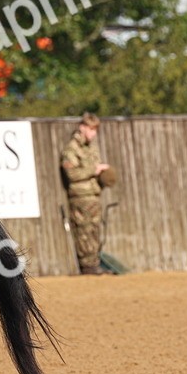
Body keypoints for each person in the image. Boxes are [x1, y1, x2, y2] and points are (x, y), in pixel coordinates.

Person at [60, 112, 111, 275]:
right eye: (91, 129)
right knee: (84, 230)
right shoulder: (71, 149)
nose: (93, 133)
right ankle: (87, 265)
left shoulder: (92, 148)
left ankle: (94, 261)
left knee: (95, 229)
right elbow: (72, 174)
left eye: (95, 129)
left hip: (94, 195)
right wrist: (94, 170)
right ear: (82, 127)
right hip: (80, 197)